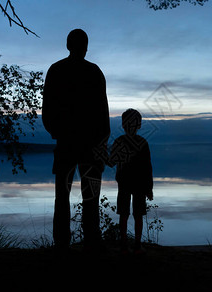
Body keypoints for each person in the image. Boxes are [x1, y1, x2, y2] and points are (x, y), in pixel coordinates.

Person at [42, 29, 110, 251]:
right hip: (88, 145)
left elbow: (47, 111)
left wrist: (57, 132)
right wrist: (102, 141)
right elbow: (103, 112)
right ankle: (91, 240)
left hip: (67, 144)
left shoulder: (56, 70)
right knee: (89, 197)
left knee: (62, 197)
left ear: (68, 45)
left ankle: (62, 243)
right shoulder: (93, 72)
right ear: (85, 46)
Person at [109, 109, 153, 255]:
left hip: (126, 183)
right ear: (139, 125)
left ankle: (125, 245)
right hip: (136, 184)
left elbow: (111, 162)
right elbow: (148, 168)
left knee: (125, 214)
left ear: (123, 124)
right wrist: (149, 188)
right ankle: (136, 245)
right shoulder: (142, 142)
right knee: (135, 214)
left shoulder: (120, 141)